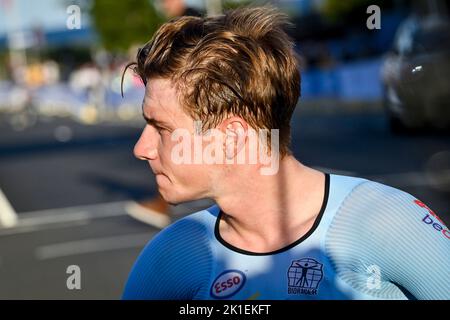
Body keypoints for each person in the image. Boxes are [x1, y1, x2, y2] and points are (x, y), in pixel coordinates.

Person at [122, 6, 449, 300]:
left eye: (161, 128)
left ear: (232, 137)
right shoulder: (172, 256)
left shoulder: (385, 221)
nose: (142, 148)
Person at [124, 0, 204, 228]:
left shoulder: (190, 19)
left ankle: (162, 205)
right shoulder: (181, 20)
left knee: (173, 152)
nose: (162, 4)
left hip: (192, 100)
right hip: (187, 100)